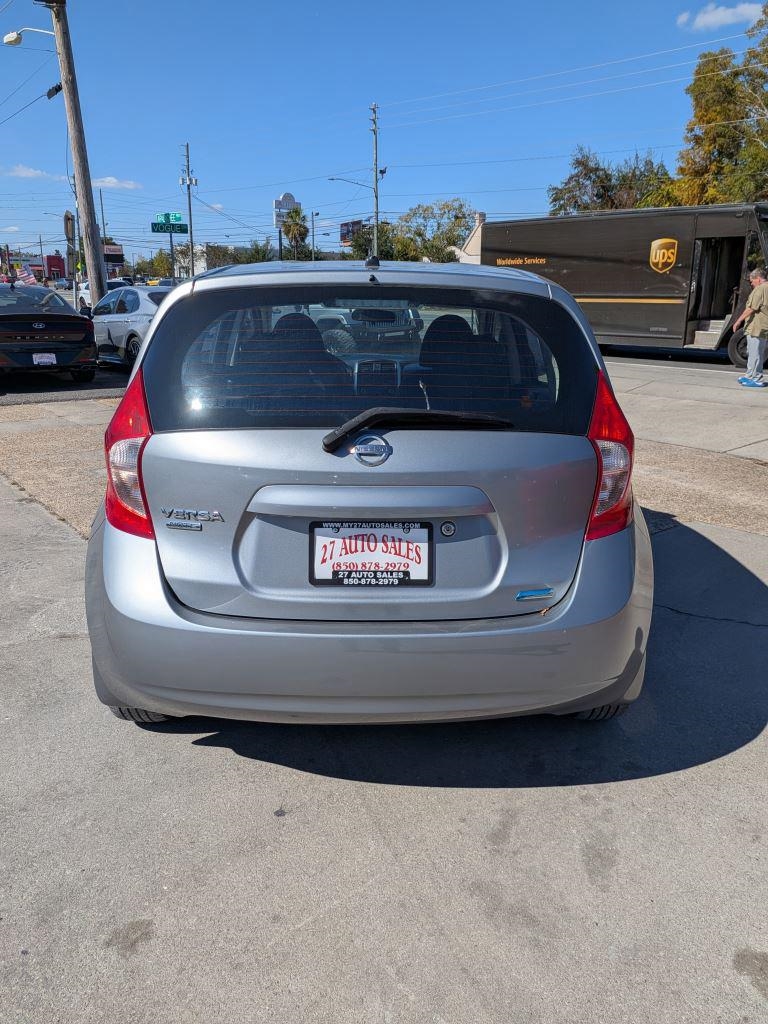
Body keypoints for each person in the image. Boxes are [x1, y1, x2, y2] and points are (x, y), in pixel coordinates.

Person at [732, 267, 768, 388]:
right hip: (762, 326)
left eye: (752, 281)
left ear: (758, 279)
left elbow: (751, 308)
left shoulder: (760, 289)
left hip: (756, 327)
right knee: (754, 352)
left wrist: (738, 321)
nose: (751, 284)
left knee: (755, 353)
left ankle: (756, 378)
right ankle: (749, 375)